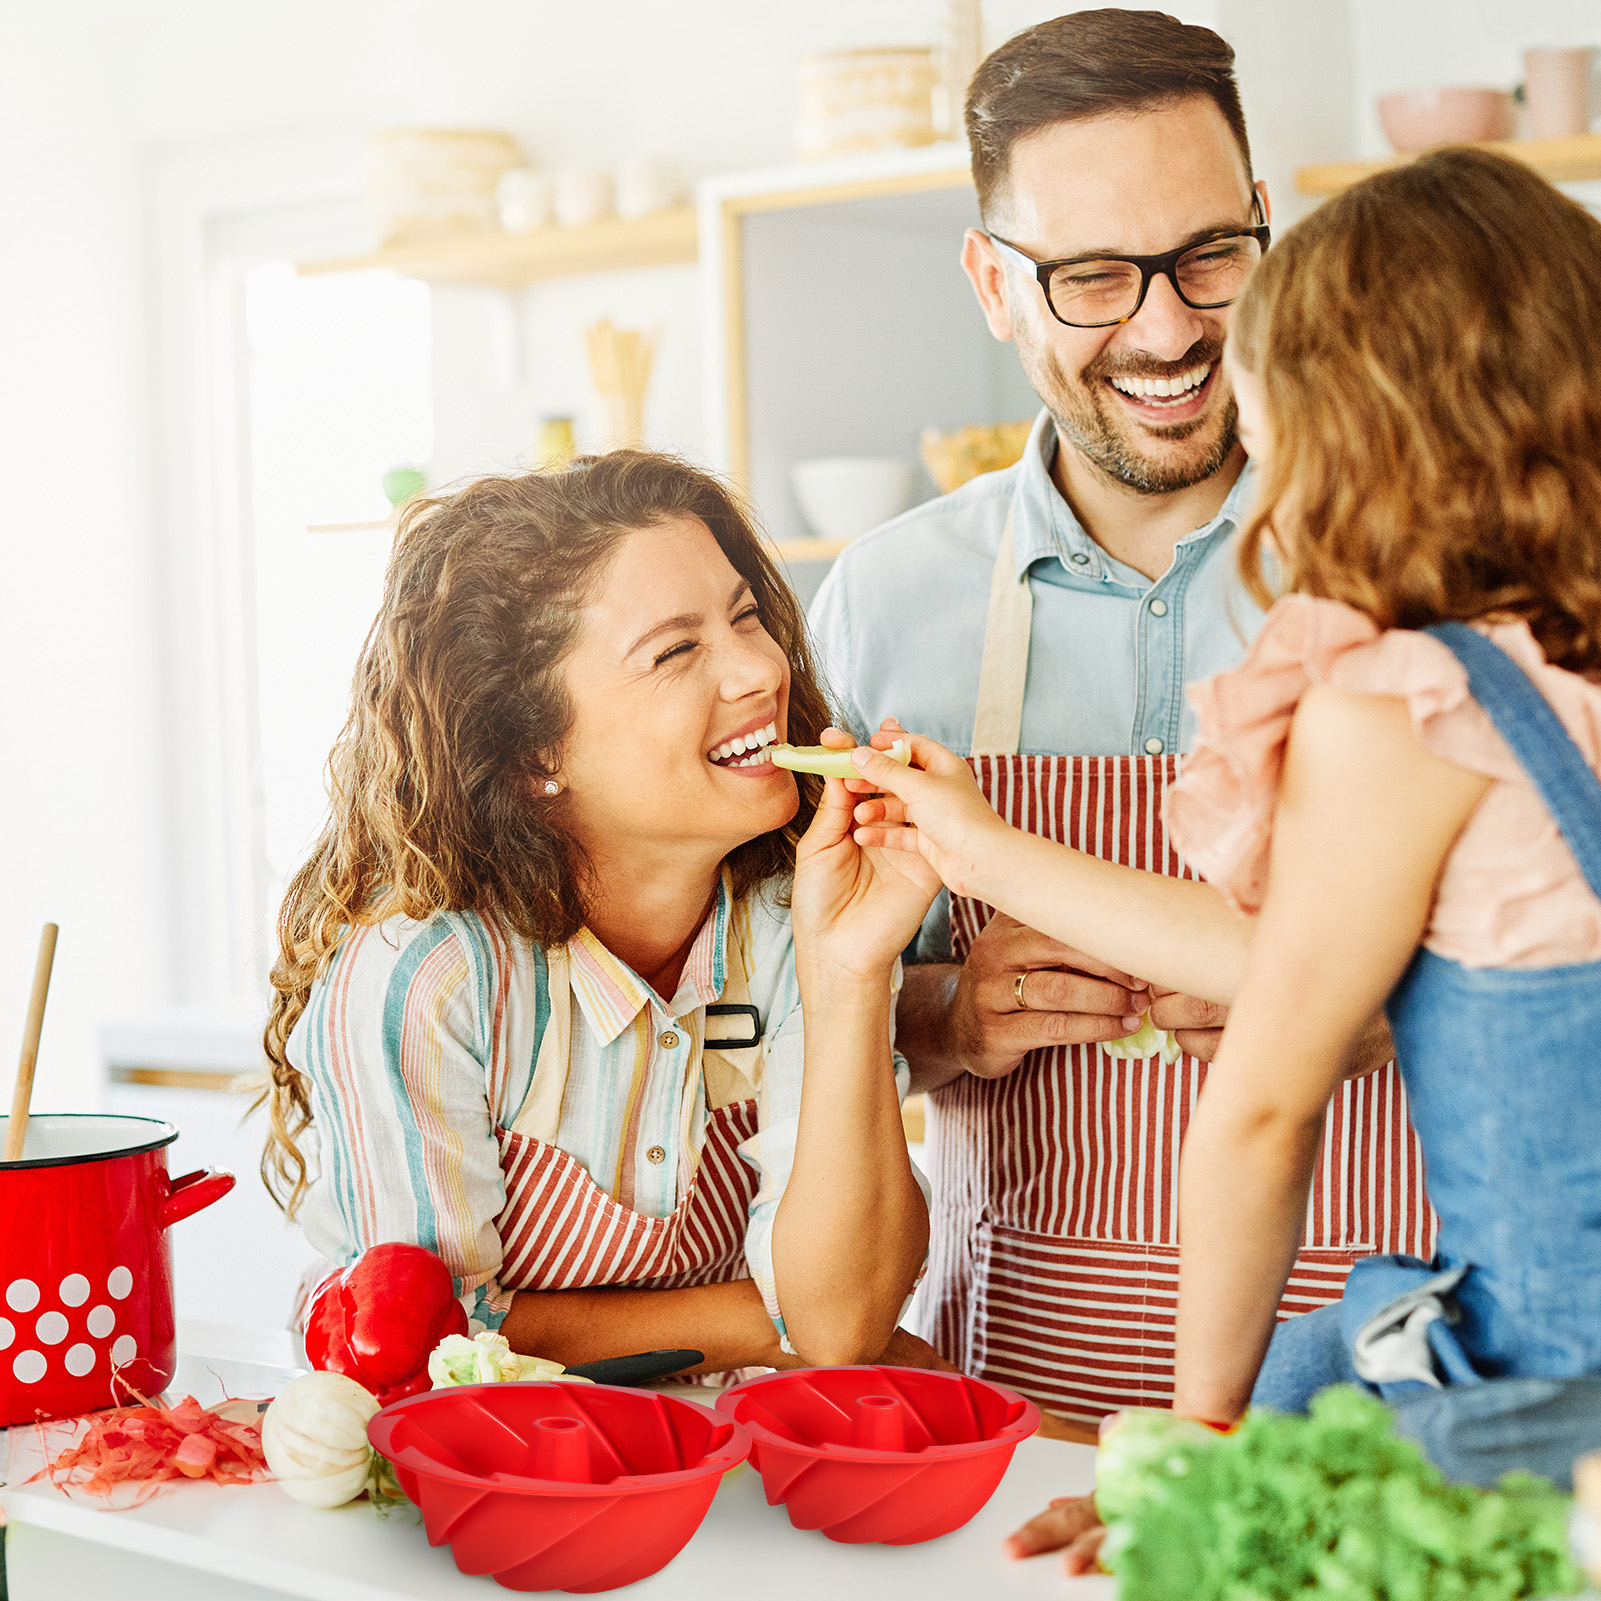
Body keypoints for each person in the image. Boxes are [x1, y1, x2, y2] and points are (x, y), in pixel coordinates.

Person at [848, 146, 1601, 1562]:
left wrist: (1193, 1454)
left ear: (1346, 432)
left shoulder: (1404, 708)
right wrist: (983, 849)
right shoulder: (1562, 683)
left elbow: (1261, 1103)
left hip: (1536, 1412)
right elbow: (1289, 953)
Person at [808, 7, 1412, 1435]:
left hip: (1385, 1406)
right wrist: (945, 1014)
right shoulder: (879, 606)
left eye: (1210, 254)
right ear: (991, 283)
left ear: (1270, 223)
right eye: (1089, 276)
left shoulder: (1415, 565)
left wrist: (1370, 1009)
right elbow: (777, 1013)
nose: (1165, 328)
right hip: (1008, 1422)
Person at [259, 451, 940, 1376]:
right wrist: (770, 1317)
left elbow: (844, 1320)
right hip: (495, 1486)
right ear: (537, 753)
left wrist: (850, 968)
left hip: (737, 1478)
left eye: (746, 616)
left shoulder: (797, 923)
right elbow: (429, 1343)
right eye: (675, 650)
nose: (757, 669)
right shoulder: (426, 978)